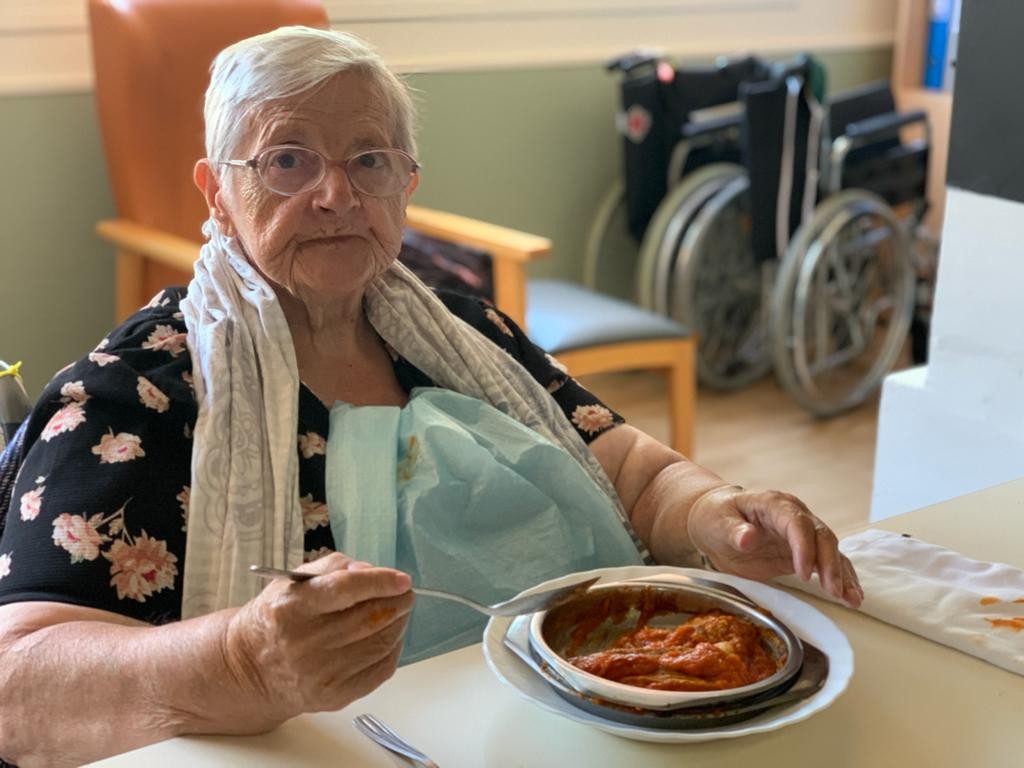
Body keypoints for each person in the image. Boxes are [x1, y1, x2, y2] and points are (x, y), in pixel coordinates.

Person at [0, 26, 862, 766]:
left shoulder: (468, 333)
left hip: (579, 725)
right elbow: (17, 687)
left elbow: (630, 471)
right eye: (287, 160)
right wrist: (243, 663)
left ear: (406, 184)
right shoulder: (131, 399)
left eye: (369, 161)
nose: (336, 194)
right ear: (218, 193)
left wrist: (714, 512)